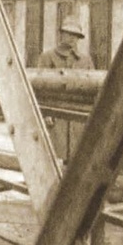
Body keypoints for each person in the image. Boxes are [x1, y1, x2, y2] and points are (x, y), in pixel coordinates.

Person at [34, 14, 94, 159]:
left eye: (76, 35)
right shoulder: (47, 57)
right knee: (53, 156)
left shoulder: (85, 60)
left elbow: (93, 89)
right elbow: (38, 89)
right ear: (62, 34)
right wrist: (45, 113)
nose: (73, 38)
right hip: (55, 115)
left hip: (78, 116)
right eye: (69, 34)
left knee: (77, 156)